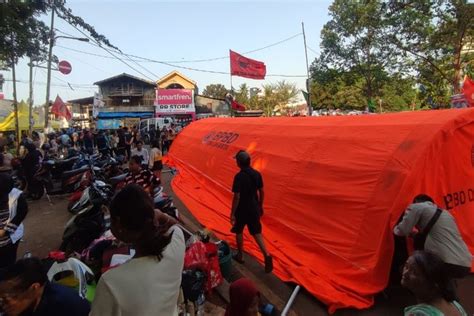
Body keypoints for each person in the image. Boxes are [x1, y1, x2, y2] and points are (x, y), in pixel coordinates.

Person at [90, 184, 185, 316]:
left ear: (118, 223)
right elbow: (176, 228)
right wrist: (162, 215)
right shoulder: (176, 244)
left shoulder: (111, 283)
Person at [394, 194, 472, 279]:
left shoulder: (417, 207)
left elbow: (401, 231)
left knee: (408, 271)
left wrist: (393, 227)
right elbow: (438, 236)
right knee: (443, 286)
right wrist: (414, 234)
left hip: (446, 263)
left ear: (416, 201)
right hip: (464, 264)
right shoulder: (446, 214)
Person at [0, 257, 91, 316]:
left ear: (34, 288)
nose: (3, 306)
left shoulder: (61, 306)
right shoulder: (34, 298)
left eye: (7, 299)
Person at [231, 150, 273, 273]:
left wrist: (232, 213)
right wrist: (260, 205)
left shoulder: (239, 177)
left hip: (242, 209)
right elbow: (262, 191)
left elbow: (237, 196)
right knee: (256, 232)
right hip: (254, 207)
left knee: (238, 230)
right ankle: (266, 254)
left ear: (239, 163)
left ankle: (240, 255)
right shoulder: (257, 174)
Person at [401, 251, 468, 316]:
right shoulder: (455, 304)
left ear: (433, 283)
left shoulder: (420, 314)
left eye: (414, 272)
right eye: (406, 266)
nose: (405, 273)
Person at [0, 174, 28, 268]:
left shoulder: (15, 194)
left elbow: (22, 212)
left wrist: (5, 231)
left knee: (7, 263)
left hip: (9, 239)